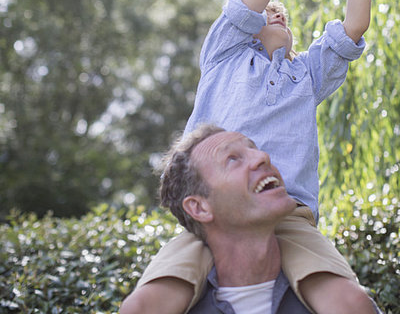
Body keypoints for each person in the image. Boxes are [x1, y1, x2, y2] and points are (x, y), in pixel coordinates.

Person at [120, 0, 377, 314]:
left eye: (283, 14)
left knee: (349, 301)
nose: (276, 14)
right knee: (148, 303)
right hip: (216, 215)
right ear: (245, 28)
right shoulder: (225, 58)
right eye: (266, 13)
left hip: (287, 214)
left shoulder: (306, 77)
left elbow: (353, 27)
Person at [120, 125, 381, 314]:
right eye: (232, 159)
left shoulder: (330, 298)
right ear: (199, 207)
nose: (263, 157)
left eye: (254, 150)